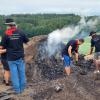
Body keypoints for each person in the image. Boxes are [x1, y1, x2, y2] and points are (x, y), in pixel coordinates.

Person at [1, 18, 29, 94]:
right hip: (20, 57)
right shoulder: (21, 32)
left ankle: (17, 91)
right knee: (22, 74)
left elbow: (2, 46)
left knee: (14, 75)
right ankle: (22, 90)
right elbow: (27, 42)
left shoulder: (6, 34)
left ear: (8, 25)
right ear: (14, 24)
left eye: (6, 26)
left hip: (11, 58)